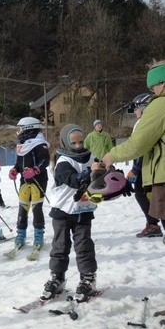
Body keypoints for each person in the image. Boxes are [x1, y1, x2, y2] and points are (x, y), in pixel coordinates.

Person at [103, 60, 165, 242]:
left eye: (154, 86)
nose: (153, 91)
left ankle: (152, 224)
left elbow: (138, 144)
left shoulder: (160, 105)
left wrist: (111, 155)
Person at [43, 124, 104, 302]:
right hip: (62, 210)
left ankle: (88, 278)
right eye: (73, 143)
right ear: (65, 142)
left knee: (84, 246)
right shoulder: (63, 161)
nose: (78, 146)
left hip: (83, 211)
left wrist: (107, 172)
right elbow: (73, 180)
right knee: (60, 246)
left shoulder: (90, 156)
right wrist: (90, 171)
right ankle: (57, 277)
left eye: (80, 142)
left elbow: (100, 176)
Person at [125, 93, 164, 238]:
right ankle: (152, 223)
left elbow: (142, 146)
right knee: (145, 193)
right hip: (148, 165)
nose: (135, 112)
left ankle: (153, 224)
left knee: (148, 194)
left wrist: (135, 169)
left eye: (136, 108)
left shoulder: (145, 122)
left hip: (149, 166)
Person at [8, 117, 50, 251]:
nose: (18, 132)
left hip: (38, 180)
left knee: (36, 207)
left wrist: (35, 170)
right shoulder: (22, 145)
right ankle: (21, 233)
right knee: (23, 207)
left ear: (27, 129)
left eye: (20, 129)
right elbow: (19, 163)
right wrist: (15, 170)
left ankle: (38, 234)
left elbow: (45, 161)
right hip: (24, 181)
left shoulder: (39, 144)